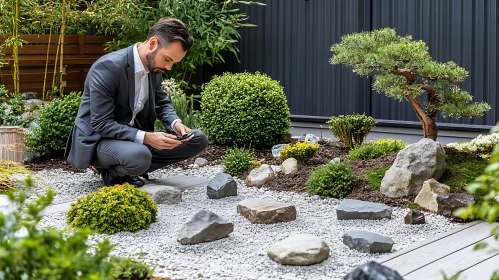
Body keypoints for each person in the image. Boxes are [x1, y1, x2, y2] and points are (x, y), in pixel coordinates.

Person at [64, 18, 208, 187]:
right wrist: (146, 137)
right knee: (140, 155)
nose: (169, 68)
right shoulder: (108, 68)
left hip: (133, 140)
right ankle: (112, 172)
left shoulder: (155, 68)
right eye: (168, 59)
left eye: (174, 63)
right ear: (153, 43)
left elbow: (162, 103)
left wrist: (175, 123)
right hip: (100, 140)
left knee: (197, 139)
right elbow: (101, 123)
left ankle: (131, 168)